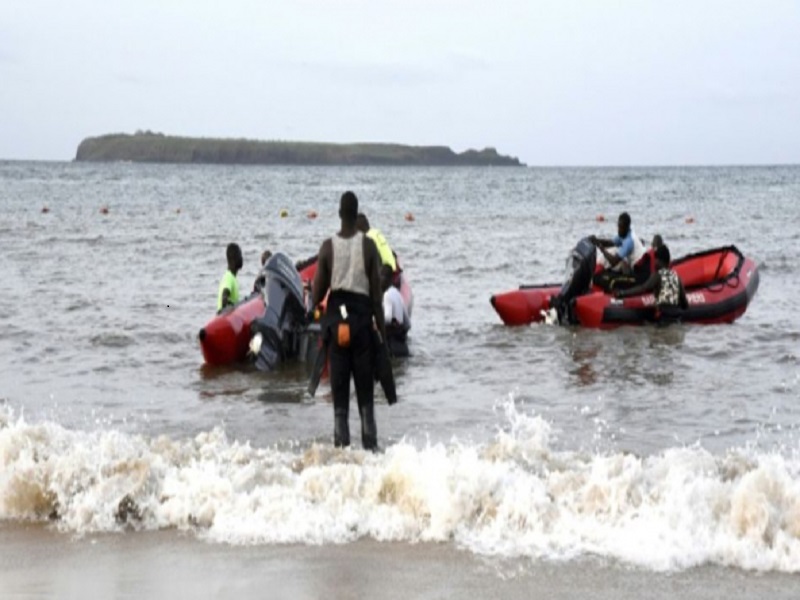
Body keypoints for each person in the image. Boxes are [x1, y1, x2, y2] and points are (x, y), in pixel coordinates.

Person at [312, 191, 386, 451]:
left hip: (338, 334)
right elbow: (377, 299)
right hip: (363, 333)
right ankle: (373, 457)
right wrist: (383, 341)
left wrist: (312, 305)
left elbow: (318, 293)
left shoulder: (327, 247)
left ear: (339, 214)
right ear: (356, 216)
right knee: (366, 405)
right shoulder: (368, 246)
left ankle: (343, 465)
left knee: (340, 410)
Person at [615, 244, 688, 322]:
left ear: (659, 260)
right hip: (677, 317)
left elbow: (643, 288)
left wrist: (622, 293)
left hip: (664, 317)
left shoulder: (658, 275)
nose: (655, 262)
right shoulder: (677, 276)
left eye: (656, 259)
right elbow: (685, 304)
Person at [590, 212, 646, 292]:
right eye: (618, 226)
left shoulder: (629, 241)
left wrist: (601, 248)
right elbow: (611, 243)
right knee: (606, 273)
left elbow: (613, 261)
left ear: (627, 227)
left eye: (621, 228)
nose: (619, 230)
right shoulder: (624, 234)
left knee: (609, 280)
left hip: (640, 274)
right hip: (634, 269)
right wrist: (596, 240)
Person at [381, 265, 410, 357]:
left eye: (382, 277)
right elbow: (408, 323)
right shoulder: (397, 293)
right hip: (403, 346)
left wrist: (375, 322)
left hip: (391, 346)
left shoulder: (387, 295)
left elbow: (388, 318)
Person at [217, 243, 243, 313]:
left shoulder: (232, 278)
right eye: (240, 255)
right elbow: (224, 297)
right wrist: (233, 306)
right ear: (234, 259)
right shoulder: (229, 278)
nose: (242, 258)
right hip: (223, 320)